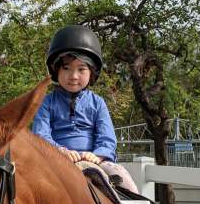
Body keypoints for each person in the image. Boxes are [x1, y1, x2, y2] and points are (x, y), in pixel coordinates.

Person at [32, 25, 138, 193]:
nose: (73, 76)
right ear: (56, 71)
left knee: (125, 181)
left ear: (91, 73)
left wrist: (97, 155)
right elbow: (40, 134)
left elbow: (107, 138)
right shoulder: (47, 102)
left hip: (96, 160)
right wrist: (60, 151)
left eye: (81, 69)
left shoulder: (98, 103)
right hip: (55, 159)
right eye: (66, 68)